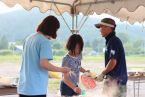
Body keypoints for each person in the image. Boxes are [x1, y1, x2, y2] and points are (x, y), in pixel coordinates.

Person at [17, 15, 70, 97]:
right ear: (52, 29)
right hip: (36, 89)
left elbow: (31, 62)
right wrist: (61, 69)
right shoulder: (44, 41)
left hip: (23, 87)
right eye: (56, 29)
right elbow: (44, 64)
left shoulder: (29, 38)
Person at [95, 18, 128, 97]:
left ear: (108, 27)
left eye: (101, 27)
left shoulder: (114, 41)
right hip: (112, 80)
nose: (100, 30)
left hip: (116, 82)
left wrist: (102, 74)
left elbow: (113, 61)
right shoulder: (110, 41)